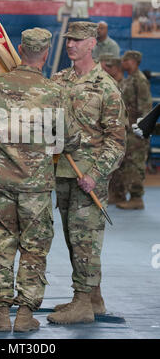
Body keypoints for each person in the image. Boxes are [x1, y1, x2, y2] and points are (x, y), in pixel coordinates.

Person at [0, 28, 80, 333]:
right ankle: (24, 313)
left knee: (0, 243)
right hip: (36, 184)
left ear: (21, 48)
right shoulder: (54, 92)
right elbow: (70, 139)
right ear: (47, 53)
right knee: (34, 247)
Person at [47, 21, 127, 325]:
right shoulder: (58, 81)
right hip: (64, 173)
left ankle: (82, 303)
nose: (71, 45)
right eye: (69, 40)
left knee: (85, 240)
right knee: (74, 239)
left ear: (92, 44)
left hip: (89, 177)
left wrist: (96, 173)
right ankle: (93, 297)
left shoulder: (107, 87)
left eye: (78, 40)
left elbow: (117, 141)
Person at [115, 51, 153, 210]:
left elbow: (145, 108)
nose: (122, 62)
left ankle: (137, 198)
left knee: (135, 164)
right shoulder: (127, 80)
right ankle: (121, 193)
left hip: (136, 131)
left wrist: (141, 131)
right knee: (125, 164)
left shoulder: (140, 81)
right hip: (126, 129)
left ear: (134, 62)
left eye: (126, 60)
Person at [100, 55, 128, 204]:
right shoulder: (110, 84)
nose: (104, 69)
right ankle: (115, 193)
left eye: (108, 66)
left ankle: (121, 194)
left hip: (123, 128)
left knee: (122, 165)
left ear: (116, 68)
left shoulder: (121, 85)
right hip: (114, 127)